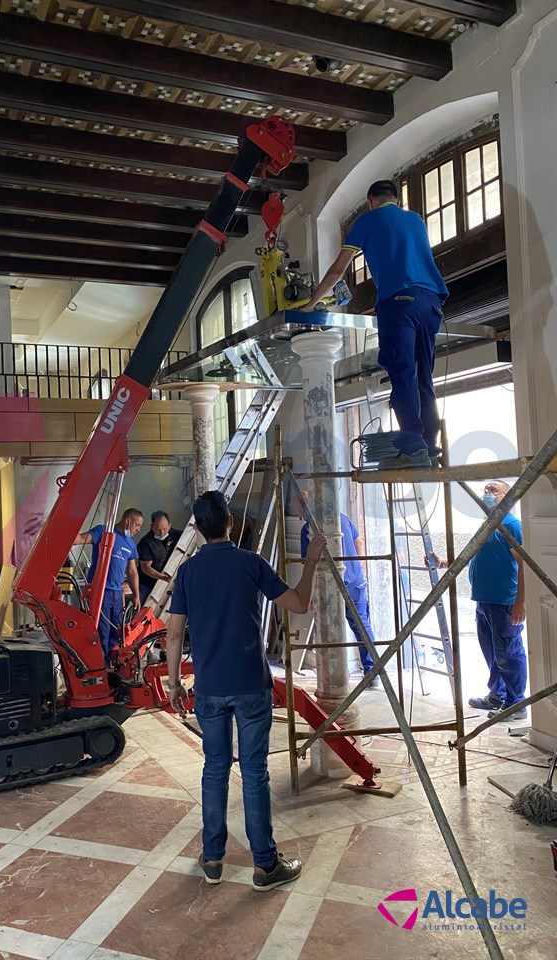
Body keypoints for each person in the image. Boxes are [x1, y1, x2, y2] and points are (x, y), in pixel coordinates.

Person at [166, 490, 327, 891]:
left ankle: (213, 859)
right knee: (255, 773)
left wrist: (172, 683)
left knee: (214, 770)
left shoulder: (187, 572)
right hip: (251, 686)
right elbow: (300, 604)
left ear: (197, 529)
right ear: (230, 524)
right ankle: (265, 865)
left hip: (209, 688)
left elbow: (173, 636)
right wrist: (309, 563)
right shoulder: (251, 563)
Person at [301, 180, 449, 470]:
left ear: (370, 201)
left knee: (402, 371)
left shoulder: (368, 219)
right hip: (430, 303)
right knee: (423, 376)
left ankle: (412, 446)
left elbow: (338, 269)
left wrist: (310, 305)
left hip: (399, 302)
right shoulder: (416, 220)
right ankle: (429, 446)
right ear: (396, 199)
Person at [431, 481, 526, 721]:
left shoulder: (512, 526)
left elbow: (525, 565)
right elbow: (472, 554)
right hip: (484, 600)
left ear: (508, 497)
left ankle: (516, 704)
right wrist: (444, 563)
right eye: (485, 489)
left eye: (494, 489)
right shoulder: (487, 524)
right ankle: (497, 694)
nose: (487, 493)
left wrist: (520, 603)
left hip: (504, 602)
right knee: (492, 652)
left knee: (509, 652)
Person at [294, 492, 377, 685]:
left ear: (303, 507)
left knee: (330, 630)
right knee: (362, 626)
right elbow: (359, 542)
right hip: (356, 581)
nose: (295, 512)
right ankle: (373, 671)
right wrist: (359, 568)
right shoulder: (342, 518)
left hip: (331, 587)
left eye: (296, 508)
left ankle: (333, 678)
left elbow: (309, 564)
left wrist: (312, 595)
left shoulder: (308, 529)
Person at [74, 508, 143, 662]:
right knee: (101, 632)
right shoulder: (103, 531)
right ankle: (101, 667)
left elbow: (132, 572)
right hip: (100, 591)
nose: (137, 530)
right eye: (137, 525)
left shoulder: (130, 544)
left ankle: (112, 665)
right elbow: (80, 539)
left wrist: (136, 595)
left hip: (117, 593)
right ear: (127, 521)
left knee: (117, 632)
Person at [137, 510, 183, 605]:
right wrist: (161, 577)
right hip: (147, 583)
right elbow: (145, 567)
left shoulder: (176, 535)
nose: (162, 532)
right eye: (158, 529)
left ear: (170, 525)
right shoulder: (146, 542)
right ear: (151, 526)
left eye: (164, 529)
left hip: (167, 580)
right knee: (146, 608)